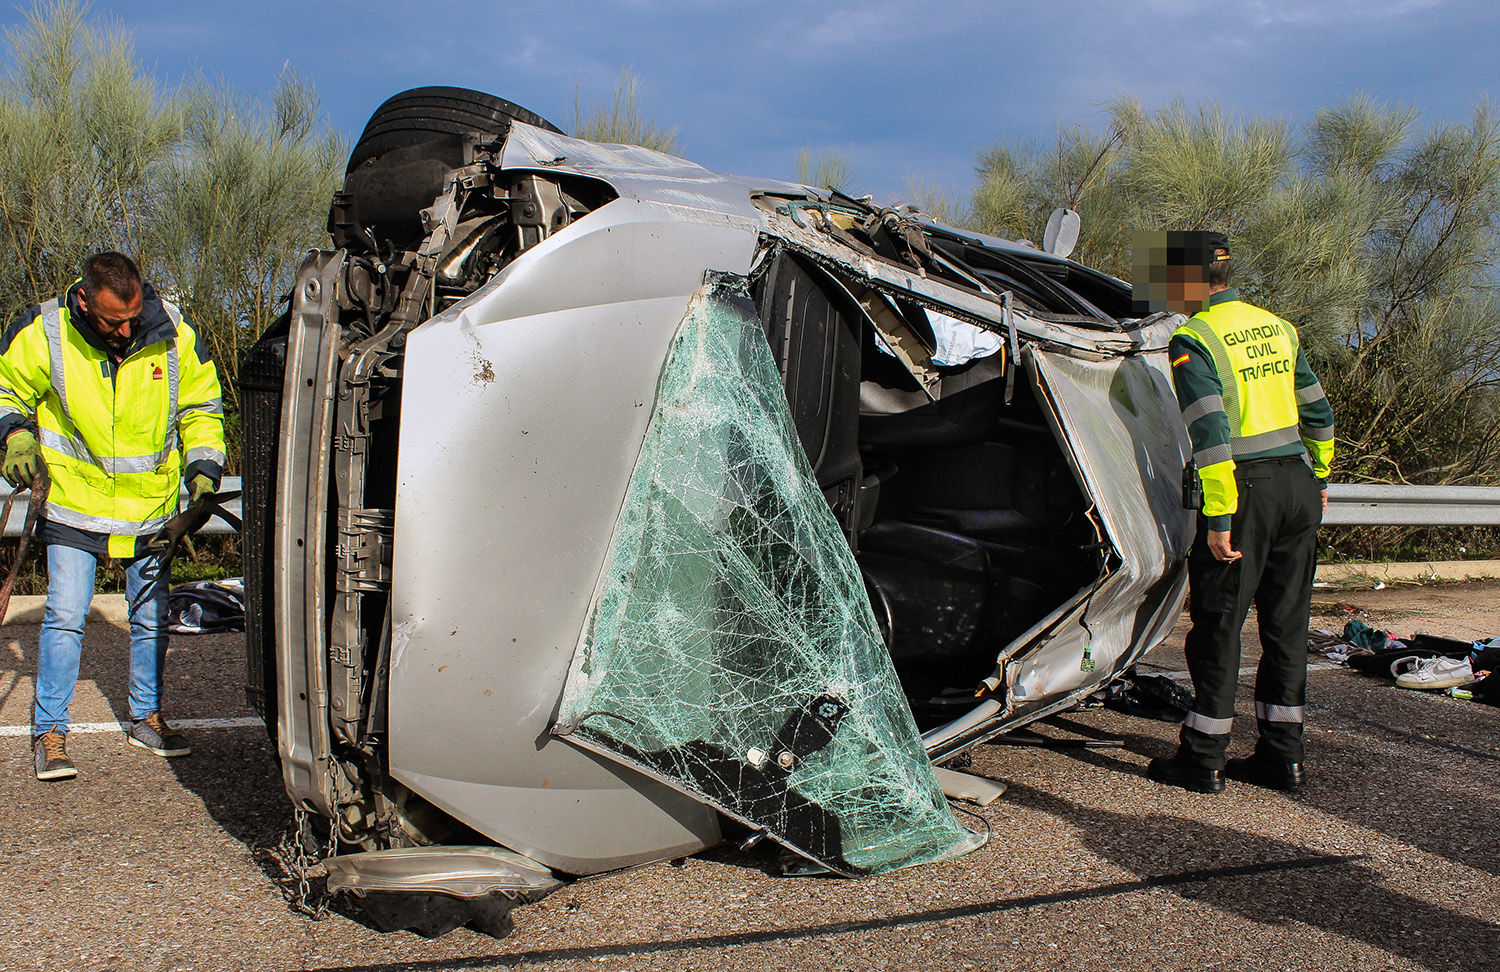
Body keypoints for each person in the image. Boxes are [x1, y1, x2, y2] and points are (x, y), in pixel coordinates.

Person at [0, 252, 225, 781]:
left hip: (150, 509)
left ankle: (147, 716)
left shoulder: (172, 329)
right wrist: (15, 434)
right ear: (84, 299)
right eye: (112, 321)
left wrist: (205, 467)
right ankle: (50, 733)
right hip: (75, 505)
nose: (126, 330)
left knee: (150, 620)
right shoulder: (46, 329)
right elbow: (6, 387)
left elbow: (202, 406)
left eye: (131, 317)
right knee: (65, 618)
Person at [1146, 232, 1335, 794]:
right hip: (1298, 484)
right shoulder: (1280, 327)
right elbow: (1318, 411)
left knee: (1222, 624)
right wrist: (1320, 474)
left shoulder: (1192, 339)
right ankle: (1283, 756)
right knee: (1286, 624)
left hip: (1244, 491)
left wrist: (1221, 517)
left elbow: (1210, 437)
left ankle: (1203, 758)